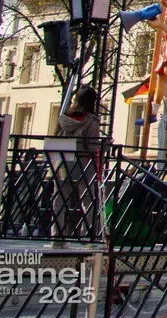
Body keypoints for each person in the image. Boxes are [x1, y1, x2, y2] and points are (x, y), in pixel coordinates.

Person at [53, 86, 101, 243]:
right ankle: (87, 235)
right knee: (89, 199)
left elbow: (55, 138)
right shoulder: (91, 121)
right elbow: (92, 145)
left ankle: (57, 235)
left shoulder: (63, 118)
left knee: (60, 199)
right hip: (82, 161)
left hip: (62, 160)